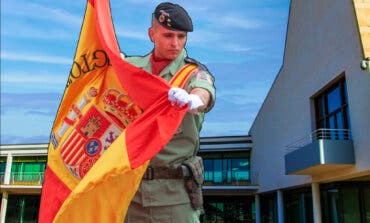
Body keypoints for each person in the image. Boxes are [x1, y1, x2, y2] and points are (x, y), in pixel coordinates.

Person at [122, 2, 216, 222]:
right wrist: (110, 65)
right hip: (129, 192)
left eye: (181, 36)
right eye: (168, 35)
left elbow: (204, 91)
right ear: (152, 34)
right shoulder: (130, 68)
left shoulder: (192, 73)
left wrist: (195, 100)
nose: (176, 44)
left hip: (175, 196)